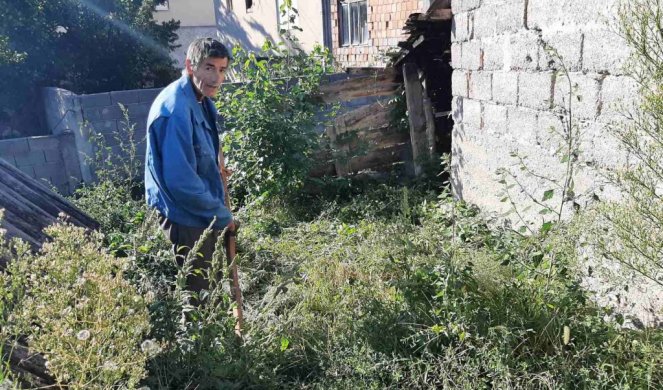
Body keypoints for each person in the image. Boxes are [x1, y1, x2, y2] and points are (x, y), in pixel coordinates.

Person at [144, 37, 235, 300]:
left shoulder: (199, 98)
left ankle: (216, 329)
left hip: (198, 204)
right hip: (185, 212)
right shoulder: (176, 110)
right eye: (209, 67)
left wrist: (215, 166)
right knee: (198, 292)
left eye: (221, 69)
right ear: (190, 65)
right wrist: (222, 214)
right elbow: (181, 181)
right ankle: (199, 340)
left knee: (210, 277)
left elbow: (197, 147)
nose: (216, 77)